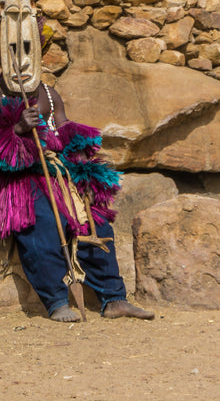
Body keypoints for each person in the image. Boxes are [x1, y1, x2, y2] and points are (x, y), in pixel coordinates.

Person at [3, 80, 154, 322]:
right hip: (22, 179)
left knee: (95, 224)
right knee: (41, 225)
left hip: (61, 175)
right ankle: (56, 302)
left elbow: (67, 132)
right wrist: (18, 129)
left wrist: (85, 175)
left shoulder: (49, 94)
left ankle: (114, 298)